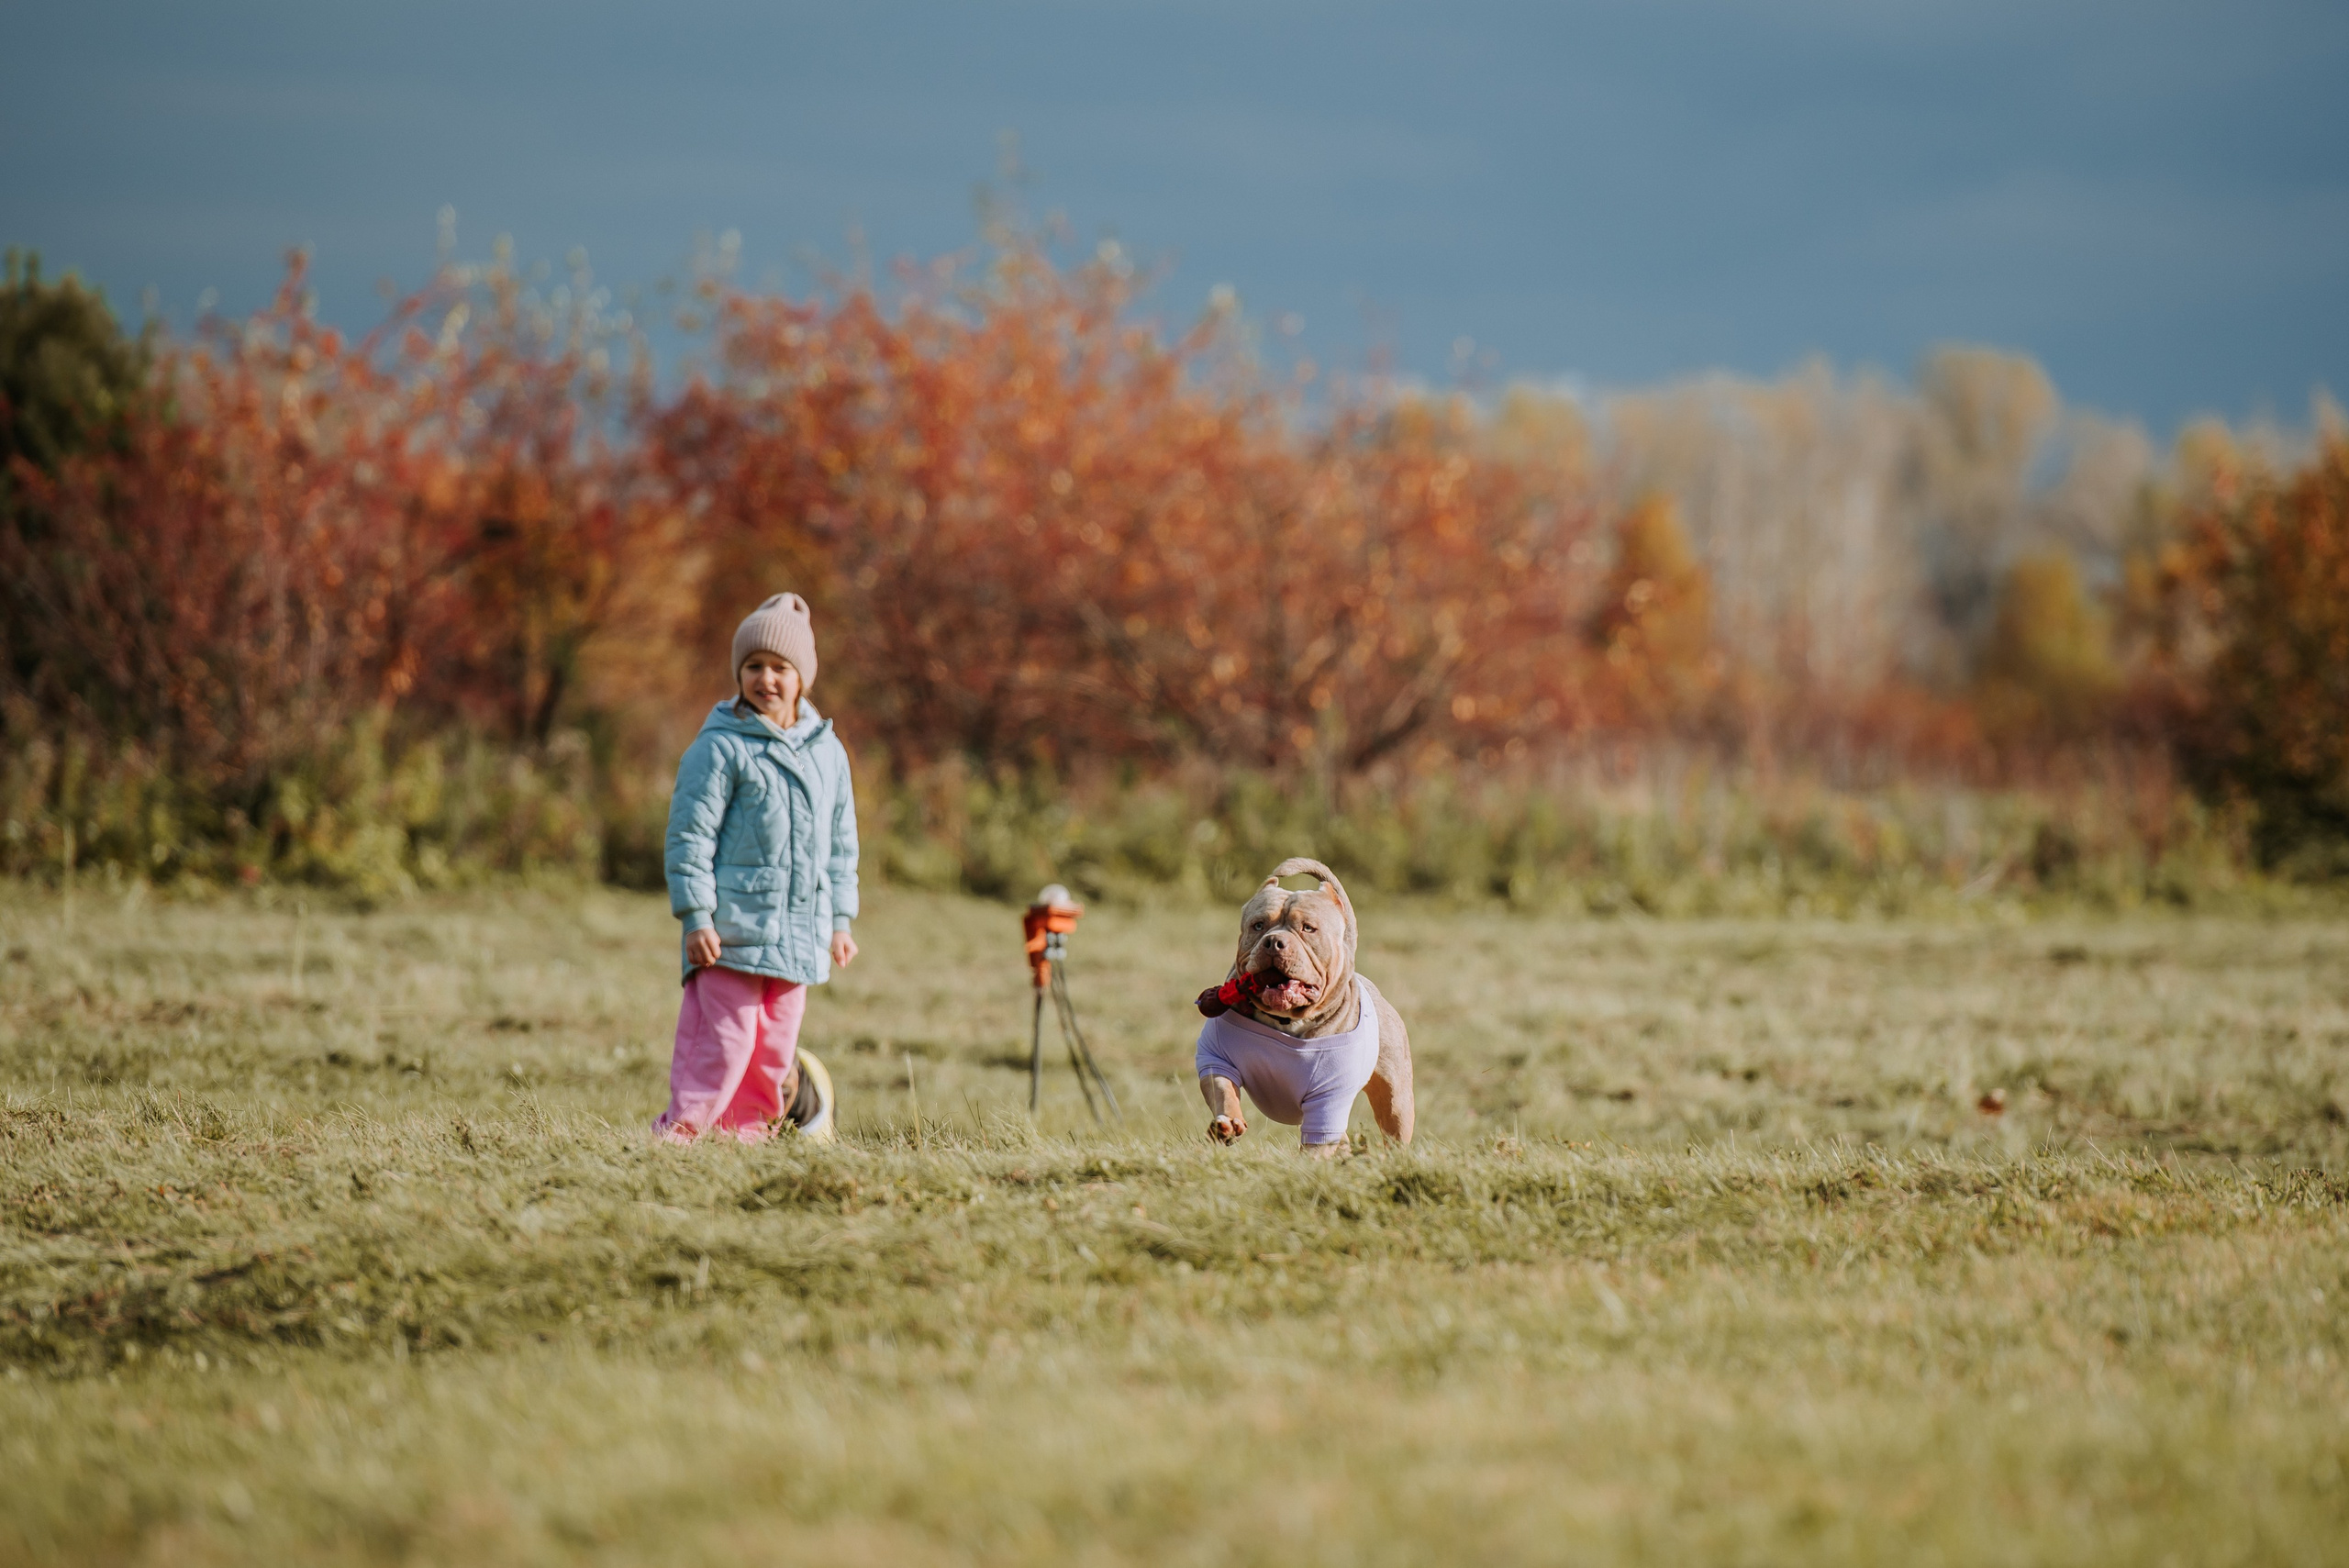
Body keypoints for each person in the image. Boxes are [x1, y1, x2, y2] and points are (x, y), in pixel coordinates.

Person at [656, 592, 858, 1141]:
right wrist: (697, 917)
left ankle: (745, 1135)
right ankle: (682, 1134)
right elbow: (689, 838)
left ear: (803, 678)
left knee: (773, 1053)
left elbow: (841, 845)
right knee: (723, 1043)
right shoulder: (719, 748)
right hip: (732, 935)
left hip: (799, 937)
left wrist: (840, 922)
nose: (766, 678)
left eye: (779, 667)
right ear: (738, 673)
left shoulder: (828, 753)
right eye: (753, 666)